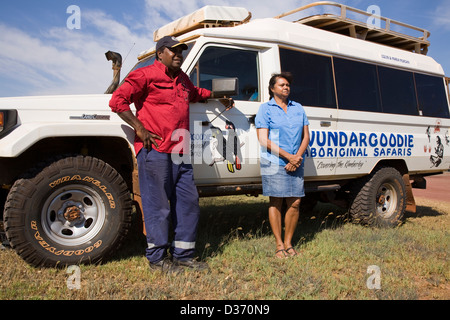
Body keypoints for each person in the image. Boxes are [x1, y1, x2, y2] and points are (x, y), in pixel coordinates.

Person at [109, 36, 231, 273]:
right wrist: (140, 128)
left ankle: (183, 255)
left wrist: (218, 97)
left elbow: (196, 92)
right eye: (173, 50)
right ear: (159, 53)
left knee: (188, 204)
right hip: (156, 151)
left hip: (181, 152)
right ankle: (157, 259)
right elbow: (118, 101)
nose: (179, 54)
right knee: (158, 206)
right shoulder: (144, 75)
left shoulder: (183, 80)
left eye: (181, 51)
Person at [255, 73, 310, 259]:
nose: (286, 87)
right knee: (276, 201)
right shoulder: (265, 109)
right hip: (274, 162)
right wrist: (288, 157)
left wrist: (297, 157)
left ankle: (288, 243)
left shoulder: (298, 108)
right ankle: (279, 245)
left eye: (287, 85)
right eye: (281, 85)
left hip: (296, 161)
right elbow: (263, 139)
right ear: (272, 88)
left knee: (295, 202)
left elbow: (306, 137)